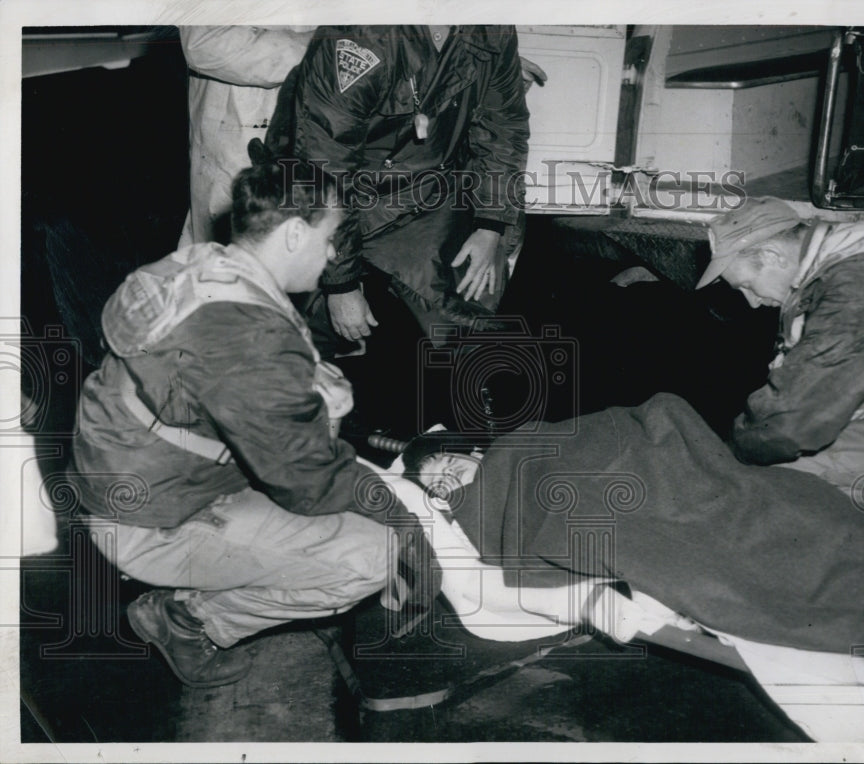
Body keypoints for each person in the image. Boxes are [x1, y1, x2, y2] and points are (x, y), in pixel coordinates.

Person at [69, 163, 433, 688]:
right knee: (372, 555)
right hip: (153, 521)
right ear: (294, 233)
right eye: (330, 237)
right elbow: (307, 481)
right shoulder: (251, 339)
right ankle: (187, 618)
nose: (334, 254)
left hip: (128, 480)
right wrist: (400, 518)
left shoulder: (206, 267)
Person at [400, 393, 864, 711]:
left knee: (808, 521)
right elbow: (521, 553)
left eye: (449, 463)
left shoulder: (525, 445)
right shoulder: (483, 508)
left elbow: (639, 423)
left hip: (696, 486)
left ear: (477, 450)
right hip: (652, 530)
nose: (447, 480)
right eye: (437, 488)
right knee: (763, 578)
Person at [694, 197, 864, 518]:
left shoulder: (863, 289)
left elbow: (788, 426)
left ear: (772, 255)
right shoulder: (856, 252)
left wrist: (726, 456)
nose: (753, 302)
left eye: (747, 285)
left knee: (791, 468)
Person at [264, 25, 532, 344]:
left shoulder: (492, 25)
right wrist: (341, 285)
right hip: (340, 193)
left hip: (430, 187)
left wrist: (490, 225)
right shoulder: (360, 33)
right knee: (308, 327)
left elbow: (505, 131)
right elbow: (324, 168)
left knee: (469, 304)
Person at [178, 25, 318, 246]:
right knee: (233, 251)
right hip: (240, 130)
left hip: (321, 129)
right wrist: (320, 47)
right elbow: (202, 42)